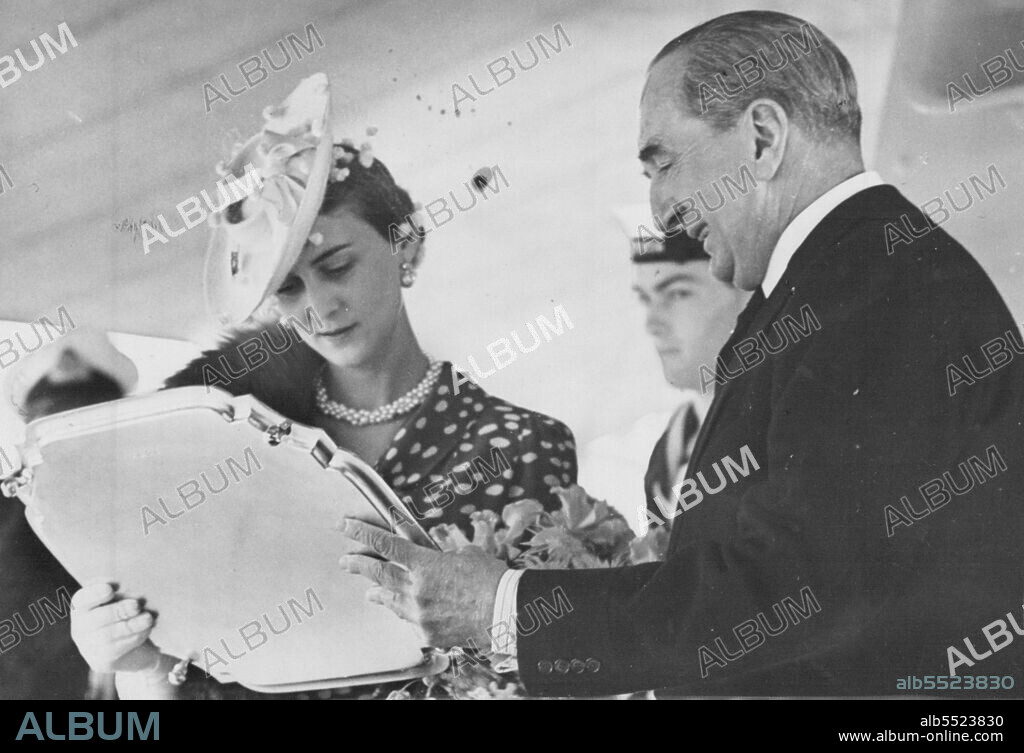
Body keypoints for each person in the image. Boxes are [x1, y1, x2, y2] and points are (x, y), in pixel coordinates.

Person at [339, 11, 1024, 697]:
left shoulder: (874, 286)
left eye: (661, 161)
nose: (661, 207)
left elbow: (800, 587)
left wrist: (505, 611)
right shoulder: (848, 275)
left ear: (762, 137)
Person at [65, 73, 577, 699]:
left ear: (407, 246)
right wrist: (141, 662)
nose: (321, 307)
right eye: (289, 289)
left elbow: (545, 672)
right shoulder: (234, 447)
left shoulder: (522, 444)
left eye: (338, 266)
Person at [0, 329, 136, 700]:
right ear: (31, 432)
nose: (72, 442)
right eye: (55, 424)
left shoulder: (150, 501)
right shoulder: (7, 508)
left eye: (88, 422)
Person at [629, 226, 746, 530]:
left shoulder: (775, 423)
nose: (653, 323)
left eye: (678, 293)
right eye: (646, 298)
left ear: (746, 297)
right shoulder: (673, 439)